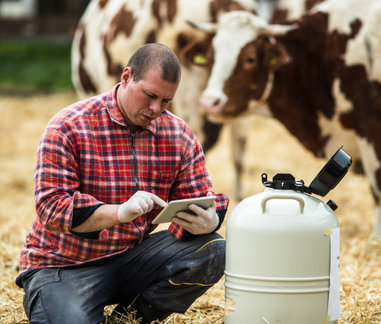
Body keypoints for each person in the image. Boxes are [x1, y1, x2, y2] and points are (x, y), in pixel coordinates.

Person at [15, 43, 229, 324]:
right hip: (63, 264)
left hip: (130, 259)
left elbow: (200, 197)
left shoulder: (178, 134)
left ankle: (129, 319)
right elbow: (52, 208)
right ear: (126, 77)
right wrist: (117, 213)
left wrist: (208, 221)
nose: (156, 109)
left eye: (165, 101)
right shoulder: (69, 126)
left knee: (213, 250)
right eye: (150, 95)